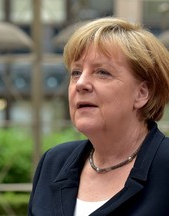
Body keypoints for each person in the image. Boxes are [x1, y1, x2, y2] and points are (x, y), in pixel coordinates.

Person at [28, 17, 169, 216]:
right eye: (76, 72)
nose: (81, 83)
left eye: (102, 72)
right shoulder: (53, 163)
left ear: (142, 93)